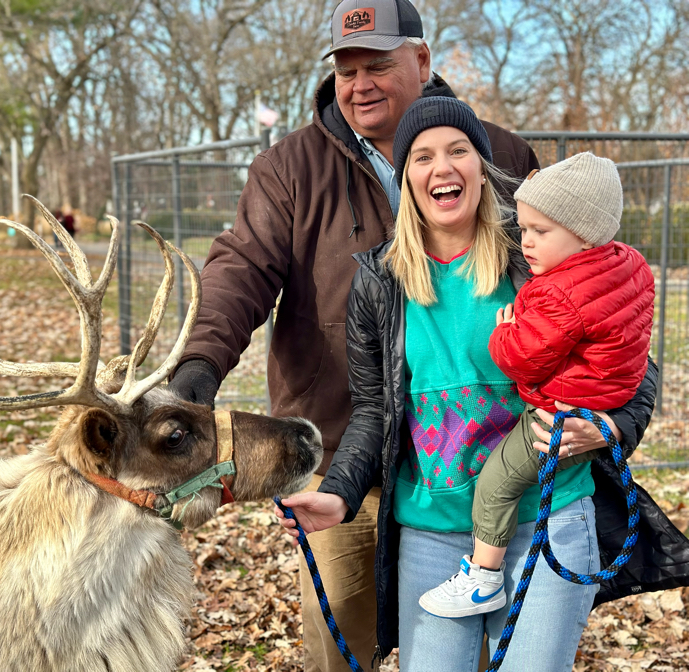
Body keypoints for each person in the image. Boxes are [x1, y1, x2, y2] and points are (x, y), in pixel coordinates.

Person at [167, 0, 665, 669]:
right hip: (351, 449)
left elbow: (609, 321)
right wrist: (197, 370)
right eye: (347, 69)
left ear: (422, 61)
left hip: (513, 478)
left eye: (378, 64)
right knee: (342, 635)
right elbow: (239, 270)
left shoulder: (508, 169)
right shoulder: (292, 171)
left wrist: (611, 423)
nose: (360, 83)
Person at [275, 98, 687, 671]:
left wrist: (612, 426)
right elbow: (374, 411)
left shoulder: (536, 255)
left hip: (547, 518)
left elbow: (633, 363)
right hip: (433, 532)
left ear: (482, 166)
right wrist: (340, 493)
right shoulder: (379, 282)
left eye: (458, 150)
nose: (441, 167)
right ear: (407, 178)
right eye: (422, 156)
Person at [418, 152, 655, 619]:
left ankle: (483, 578)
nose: (525, 242)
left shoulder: (559, 290)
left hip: (557, 415)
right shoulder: (629, 264)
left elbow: (518, 360)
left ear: (584, 232)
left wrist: (505, 328)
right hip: (604, 401)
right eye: (523, 229)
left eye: (539, 232)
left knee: (497, 480)